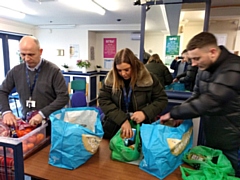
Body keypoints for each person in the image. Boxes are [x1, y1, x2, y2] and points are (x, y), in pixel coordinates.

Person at [160, 32, 240, 178]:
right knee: (213, 172)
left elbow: (210, 100)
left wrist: (174, 113)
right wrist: (182, 114)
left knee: (231, 173)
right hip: (213, 133)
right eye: (192, 59)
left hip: (233, 137)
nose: (194, 64)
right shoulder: (204, 69)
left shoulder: (234, 67)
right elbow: (196, 96)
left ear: (213, 52)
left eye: (197, 58)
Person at [0, 36, 69, 128]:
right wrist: (6, 111)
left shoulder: (53, 71)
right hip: (27, 121)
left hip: (51, 122)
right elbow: (2, 91)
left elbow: (63, 97)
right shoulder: (15, 71)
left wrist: (42, 114)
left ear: (40, 52)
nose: (27, 59)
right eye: (23, 55)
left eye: (31, 55)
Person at [98, 48, 168, 139]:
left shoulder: (149, 78)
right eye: (119, 70)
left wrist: (145, 113)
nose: (123, 74)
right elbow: (103, 100)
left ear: (134, 65)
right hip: (113, 127)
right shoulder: (110, 79)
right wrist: (122, 120)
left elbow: (162, 100)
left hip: (142, 127)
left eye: (127, 70)